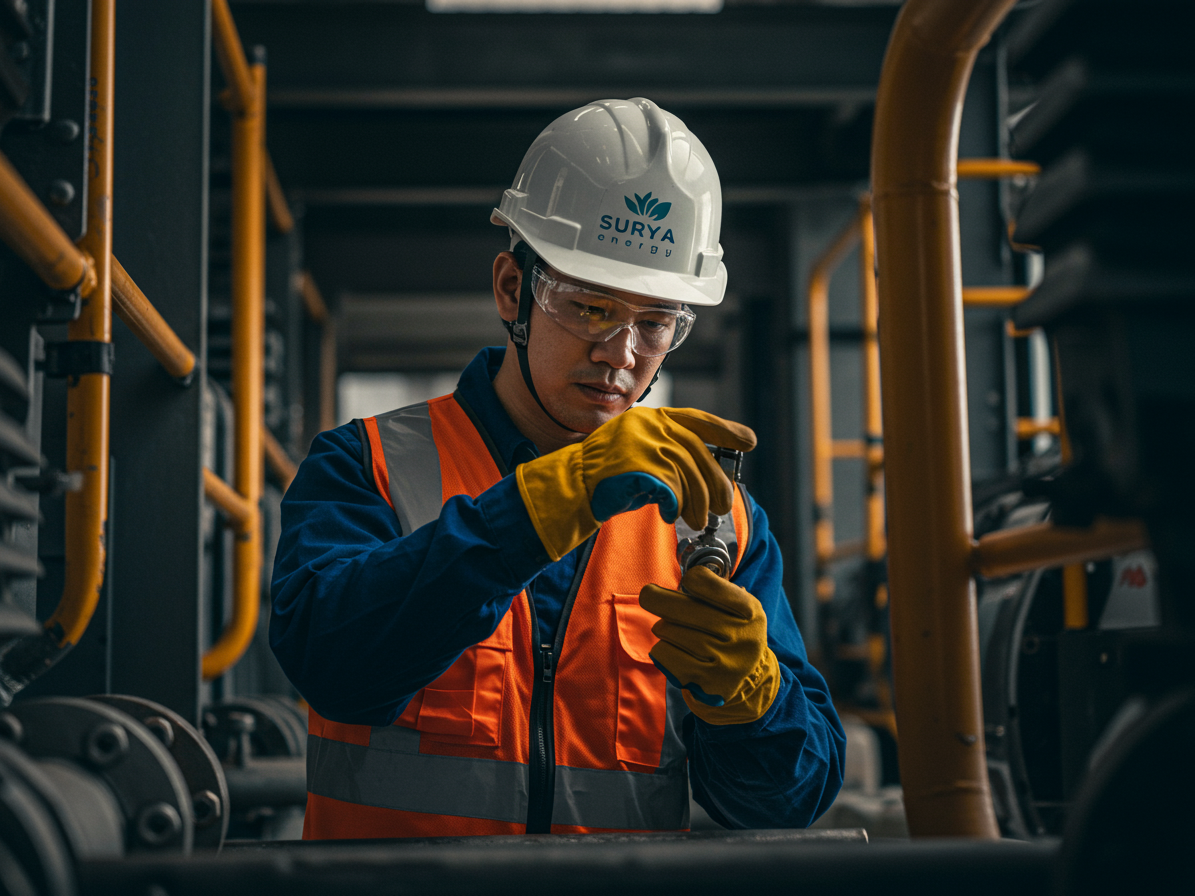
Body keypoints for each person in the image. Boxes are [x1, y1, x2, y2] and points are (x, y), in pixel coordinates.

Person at [271, 98, 844, 839]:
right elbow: (332, 663)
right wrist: (546, 503)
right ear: (513, 290)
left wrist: (752, 701)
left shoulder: (717, 519)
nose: (621, 352)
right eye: (590, 307)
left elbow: (786, 803)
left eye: (655, 322)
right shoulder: (368, 467)